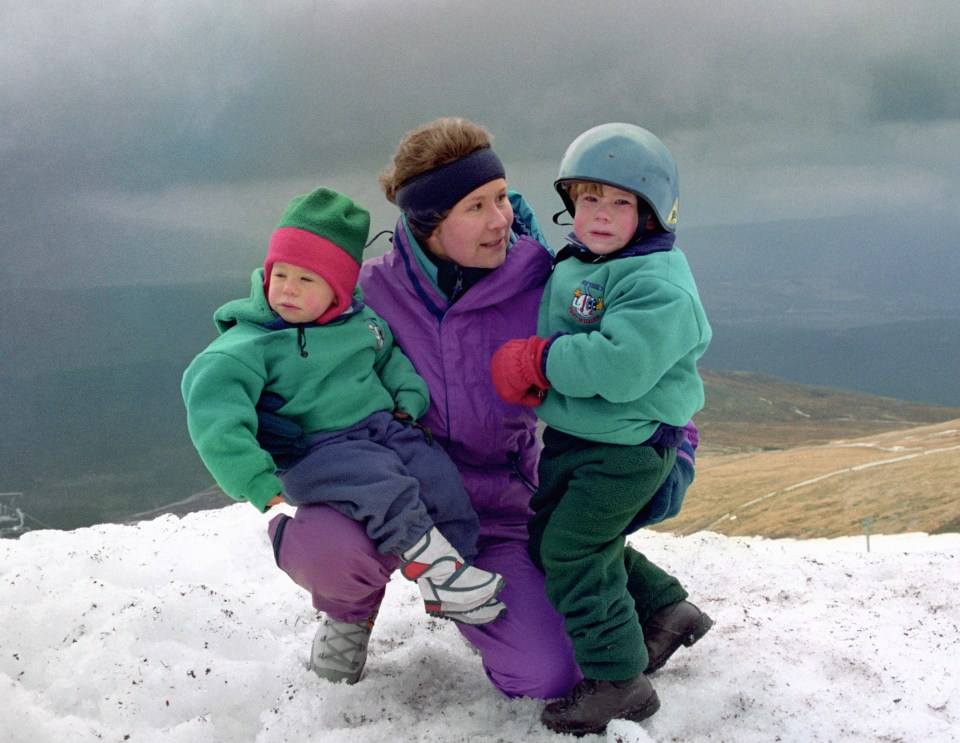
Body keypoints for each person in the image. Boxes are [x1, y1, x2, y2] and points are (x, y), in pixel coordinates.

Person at [261, 118, 712, 700]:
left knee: (548, 674)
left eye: (502, 197)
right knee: (329, 546)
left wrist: (674, 444)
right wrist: (268, 409)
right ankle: (350, 612)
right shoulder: (367, 294)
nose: (501, 219)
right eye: (476, 206)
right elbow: (284, 330)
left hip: (498, 511)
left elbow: (641, 359)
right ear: (429, 222)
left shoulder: (539, 279)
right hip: (389, 498)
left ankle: (629, 602)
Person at [181, 186, 506, 629]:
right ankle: (438, 574)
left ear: (337, 290)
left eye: (307, 280)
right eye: (281, 275)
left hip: (381, 430)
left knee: (438, 477)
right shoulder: (247, 347)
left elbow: (388, 357)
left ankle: (461, 569)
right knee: (386, 488)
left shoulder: (360, 323)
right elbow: (214, 418)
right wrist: (256, 482)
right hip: (319, 449)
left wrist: (409, 399)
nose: (288, 290)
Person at [490, 123, 714, 735]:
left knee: (573, 550)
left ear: (652, 213)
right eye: (590, 199)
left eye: (622, 202)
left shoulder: (654, 280)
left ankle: (620, 682)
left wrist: (539, 361)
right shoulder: (591, 262)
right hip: (583, 442)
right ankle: (666, 609)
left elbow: (621, 366)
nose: (603, 214)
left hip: (625, 450)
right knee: (553, 543)